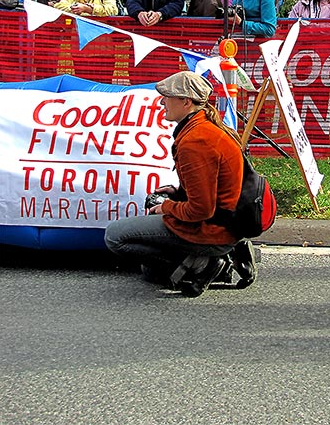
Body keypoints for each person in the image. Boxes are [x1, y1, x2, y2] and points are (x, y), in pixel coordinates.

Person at [104, 71, 256, 295]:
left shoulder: (195, 141)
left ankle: (208, 261)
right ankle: (208, 258)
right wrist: (179, 192)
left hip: (212, 229)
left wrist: (166, 207)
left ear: (186, 102)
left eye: (167, 96)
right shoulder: (205, 127)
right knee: (149, 273)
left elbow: (201, 209)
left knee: (114, 237)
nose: (162, 101)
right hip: (224, 223)